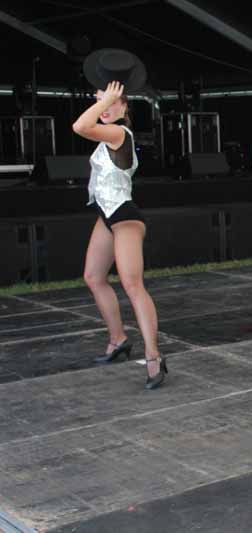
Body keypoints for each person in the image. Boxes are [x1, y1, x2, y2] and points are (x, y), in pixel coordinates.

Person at [72, 48, 166, 390]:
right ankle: (118, 339)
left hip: (124, 216)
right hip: (106, 214)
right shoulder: (107, 136)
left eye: (113, 103)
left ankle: (154, 356)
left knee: (132, 284)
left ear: (125, 108)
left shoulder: (119, 134)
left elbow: (80, 126)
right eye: (101, 100)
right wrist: (105, 99)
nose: (106, 108)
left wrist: (106, 100)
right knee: (93, 276)